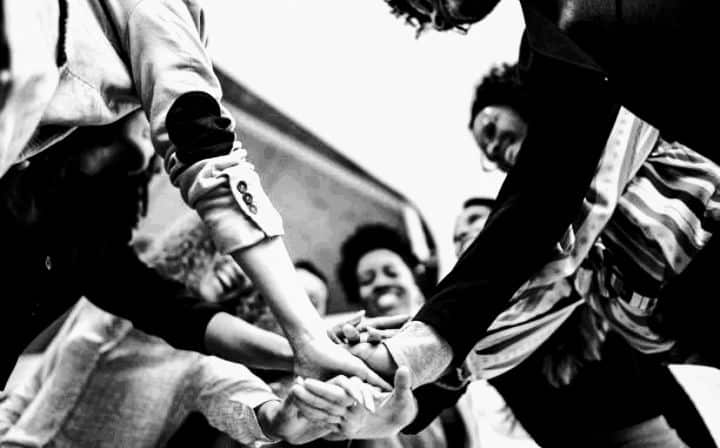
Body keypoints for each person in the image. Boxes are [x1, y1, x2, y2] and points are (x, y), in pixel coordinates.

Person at [0, 0, 383, 387]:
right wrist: (309, 336)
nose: (150, 111)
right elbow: (204, 144)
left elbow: (174, 312)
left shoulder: (89, 240)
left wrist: (301, 350)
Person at [366, 0, 720, 387]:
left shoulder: (592, 81)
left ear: (521, 100)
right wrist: (412, 353)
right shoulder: (561, 237)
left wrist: (427, 340)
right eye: (434, 16)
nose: (493, 148)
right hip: (691, 335)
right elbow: (534, 292)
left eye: (491, 128)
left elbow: (542, 199)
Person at [0, 299, 362, 448]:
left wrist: (273, 420)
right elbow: (34, 383)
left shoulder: (199, 360)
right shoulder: (101, 303)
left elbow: (236, 399)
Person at [336, 223, 480, 448]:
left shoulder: (460, 347)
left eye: (391, 272)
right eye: (366, 280)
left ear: (414, 278)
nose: (380, 283)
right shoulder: (354, 362)